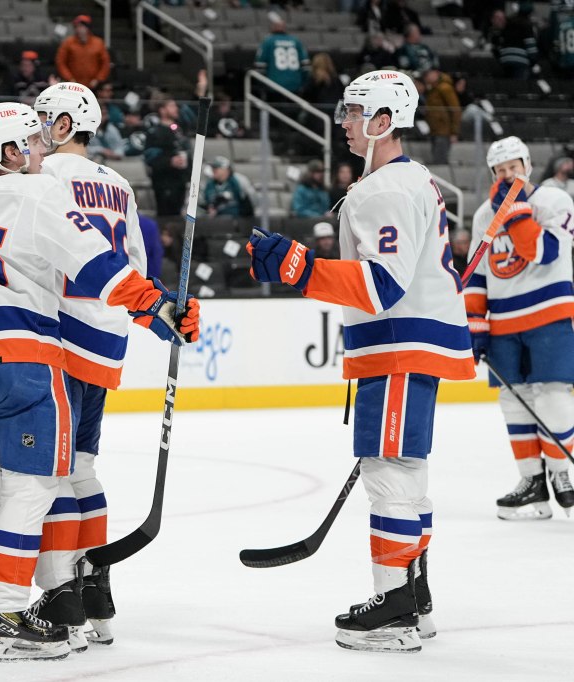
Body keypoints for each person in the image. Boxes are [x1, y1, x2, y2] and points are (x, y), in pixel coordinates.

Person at [0, 102, 200, 662]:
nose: (43, 153)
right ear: (10, 152)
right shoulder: (41, 196)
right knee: (33, 487)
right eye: (33, 144)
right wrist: (161, 307)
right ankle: (12, 613)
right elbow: (101, 267)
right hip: (23, 362)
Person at [248, 69, 475, 653]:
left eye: (352, 112)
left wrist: (299, 268)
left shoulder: (385, 189)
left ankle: (395, 605)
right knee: (407, 473)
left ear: (382, 122)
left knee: (391, 473)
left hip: (398, 344)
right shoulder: (408, 180)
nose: (341, 122)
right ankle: (413, 592)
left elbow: (382, 287)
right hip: (409, 344)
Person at [31, 81, 149, 651]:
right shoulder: (120, 184)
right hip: (107, 336)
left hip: (57, 333)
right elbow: (136, 269)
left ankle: (61, 596)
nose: (34, 131)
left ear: (62, 125)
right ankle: (96, 585)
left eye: (42, 120)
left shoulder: (43, 177)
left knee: (51, 471)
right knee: (82, 465)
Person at [464, 136, 574, 521]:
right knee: (514, 400)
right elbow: (477, 274)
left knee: (553, 397)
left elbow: (543, 253)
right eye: (500, 170)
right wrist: (475, 326)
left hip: (549, 315)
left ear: (527, 165)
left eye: (514, 167)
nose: (508, 175)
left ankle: (563, 476)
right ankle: (532, 483)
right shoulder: (482, 216)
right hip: (503, 324)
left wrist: (513, 212)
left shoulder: (556, 201)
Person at [143, 96, 191, 218]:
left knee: (178, 215)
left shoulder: (179, 130)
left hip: (180, 180)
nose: (176, 109)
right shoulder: (154, 132)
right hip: (163, 182)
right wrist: (170, 161)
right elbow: (150, 158)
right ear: (162, 110)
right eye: (171, 106)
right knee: (165, 216)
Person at [254, 12, 310, 95]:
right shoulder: (296, 41)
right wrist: (303, 83)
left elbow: (259, 66)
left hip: (274, 86)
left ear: (273, 26)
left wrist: (262, 85)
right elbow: (305, 66)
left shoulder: (268, 41)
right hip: (295, 85)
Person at [55, 15, 110, 90]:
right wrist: (70, 79)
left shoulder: (98, 43)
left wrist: (98, 79)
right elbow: (60, 62)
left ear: (88, 28)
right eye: (76, 27)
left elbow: (105, 63)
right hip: (72, 86)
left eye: (81, 26)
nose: (78, 29)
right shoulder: (68, 43)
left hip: (94, 86)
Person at [484, 8, 539, 80]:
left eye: (502, 18)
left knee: (508, 87)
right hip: (520, 62)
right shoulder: (526, 25)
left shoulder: (504, 29)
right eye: (498, 18)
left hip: (505, 62)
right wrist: (533, 62)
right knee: (520, 87)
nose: (501, 20)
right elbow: (531, 47)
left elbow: (498, 50)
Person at [422, 69, 460, 165]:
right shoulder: (432, 89)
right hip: (434, 129)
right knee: (436, 158)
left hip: (443, 130)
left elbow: (455, 110)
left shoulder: (445, 88)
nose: (426, 77)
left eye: (428, 74)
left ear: (435, 73)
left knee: (440, 160)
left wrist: (454, 131)